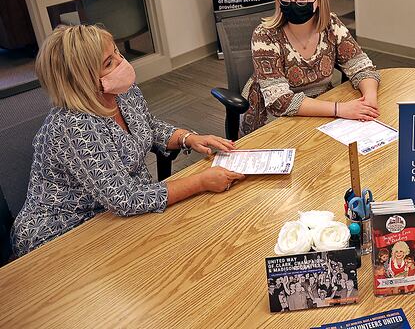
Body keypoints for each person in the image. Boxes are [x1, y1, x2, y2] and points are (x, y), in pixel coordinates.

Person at [11, 25, 245, 258]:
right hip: (64, 232)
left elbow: (147, 125)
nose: (122, 62)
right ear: (82, 81)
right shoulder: (73, 126)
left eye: (117, 53)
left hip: (115, 210)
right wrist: (201, 182)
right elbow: (126, 199)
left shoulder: (123, 92)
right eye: (109, 63)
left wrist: (187, 137)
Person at [240, 0, 380, 136]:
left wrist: (370, 100)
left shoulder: (330, 24)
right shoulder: (265, 35)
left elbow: (362, 67)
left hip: (322, 111)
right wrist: (340, 109)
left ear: (319, 0)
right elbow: (280, 102)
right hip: (272, 121)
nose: (293, 3)